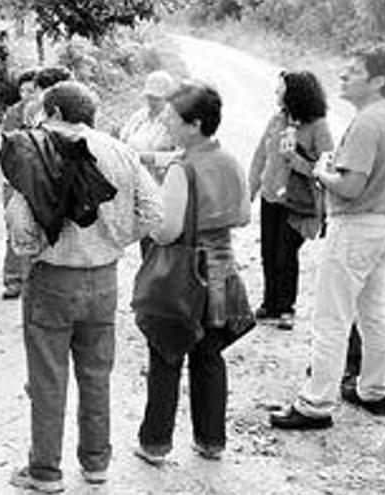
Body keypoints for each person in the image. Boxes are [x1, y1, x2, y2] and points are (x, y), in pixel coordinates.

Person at [5, 81, 161, 492]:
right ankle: (95, 464)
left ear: (54, 113)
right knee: (96, 373)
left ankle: (45, 471)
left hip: (53, 277)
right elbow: (153, 211)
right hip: (105, 278)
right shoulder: (121, 151)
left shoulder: (38, 149)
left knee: (48, 377)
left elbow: (21, 220)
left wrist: (32, 248)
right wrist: (116, 240)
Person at [270, 44, 385, 430]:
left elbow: (350, 187)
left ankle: (315, 403)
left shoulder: (368, 121)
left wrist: (321, 171)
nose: (343, 75)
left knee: (331, 318)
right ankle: (373, 391)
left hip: (356, 225)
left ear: (378, 80)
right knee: (373, 313)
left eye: (353, 71)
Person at [134, 82, 250, 465]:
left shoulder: (182, 170)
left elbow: (167, 231)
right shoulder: (231, 161)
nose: (165, 121)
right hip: (224, 273)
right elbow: (245, 216)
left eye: (172, 116)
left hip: (184, 278)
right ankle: (211, 441)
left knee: (167, 357)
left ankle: (155, 444)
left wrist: (147, 223)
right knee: (210, 357)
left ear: (195, 124)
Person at [249, 71, 333, 330]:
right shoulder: (277, 119)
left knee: (286, 254)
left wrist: (294, 160)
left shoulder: (318, 126)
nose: (276, 91)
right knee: (268, 252)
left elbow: (326, 168)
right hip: (271, 196)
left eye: (281, 88)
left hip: (298, 202)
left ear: (294, 93)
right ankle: (269, 303)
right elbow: (259, 157)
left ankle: (286, 307)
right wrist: (249, 192)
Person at [0, 68, 38, 300]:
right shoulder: (13, 113)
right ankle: (13, 279)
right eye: (22, 90)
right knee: (13, 225)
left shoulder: (42, 112)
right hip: (13, 178)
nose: (25, 94)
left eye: (30, 90)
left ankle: (30, 278)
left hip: (33, 177)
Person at [119, 70, 179, 183]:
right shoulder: (139, 117)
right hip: (130, 176)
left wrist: (146, 158)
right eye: (149, 97)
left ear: (168, 98)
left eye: (156, 99)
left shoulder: (174, 123)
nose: (152, 102)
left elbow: (180, 157)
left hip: (156, 181)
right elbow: (123, 140)